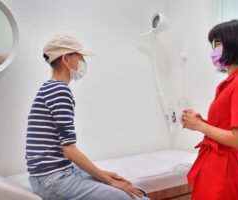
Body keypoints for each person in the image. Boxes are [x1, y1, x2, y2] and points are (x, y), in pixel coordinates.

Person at [26, 34, 149, 200]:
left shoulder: (49, 87)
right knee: (131, 197)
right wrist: (107, 180)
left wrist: (103, 176)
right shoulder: (59, 91)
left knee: (133, 189)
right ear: (66, 59)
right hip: (53, 179)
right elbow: (69, 150)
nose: (83, 61)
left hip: (55, 173)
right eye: (80, 57)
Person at [180, 19, 238, 200]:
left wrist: (200, 127)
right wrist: (200, 122)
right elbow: (227, 129)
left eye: (218, 43)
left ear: (236, 44)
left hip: (225, 170)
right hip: (216, 164)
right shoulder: (234, 82)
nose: (214, 50)